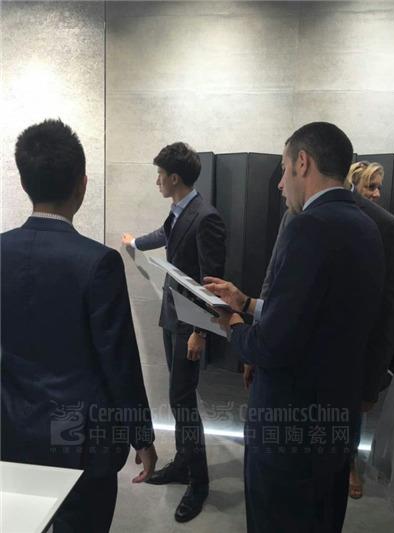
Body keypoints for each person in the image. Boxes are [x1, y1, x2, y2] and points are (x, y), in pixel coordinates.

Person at [204, 122, 385, 532]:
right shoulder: (368, 228)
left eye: (284, 170)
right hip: (335, 422)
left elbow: (272, 345)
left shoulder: (307, 227)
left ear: (303, 163)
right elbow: (318, 316)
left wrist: (232, 323)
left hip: (289, 430)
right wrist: (245, 301)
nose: (280, 184)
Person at [1, 119, 157, 533]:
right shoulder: (97, 262)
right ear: (82, 185)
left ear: (24, 182)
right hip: (81, 441)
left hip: (11, 430)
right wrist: (142, 436)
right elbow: (120, 363)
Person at [122, 142, 226, 523]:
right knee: (178, 397)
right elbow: (165, 234)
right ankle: (183, 462)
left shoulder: (206, 217)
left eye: (160, 175)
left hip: (190, 325)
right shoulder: (181, 210)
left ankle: (199, 481)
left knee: (182, 400)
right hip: (172, 317)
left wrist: (201, 331)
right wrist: (135, 243)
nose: (157, 182)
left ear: (175, 178)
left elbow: (213, 283)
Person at [345, 161, 394, 499]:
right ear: (352, 186)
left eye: (379, 186)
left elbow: (390, 297)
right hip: (327, 336)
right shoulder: (325, 220)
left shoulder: (387, 227)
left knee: (355, 410)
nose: (377, 193)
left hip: (365, 339)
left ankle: (350, 461)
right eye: (370, 186)